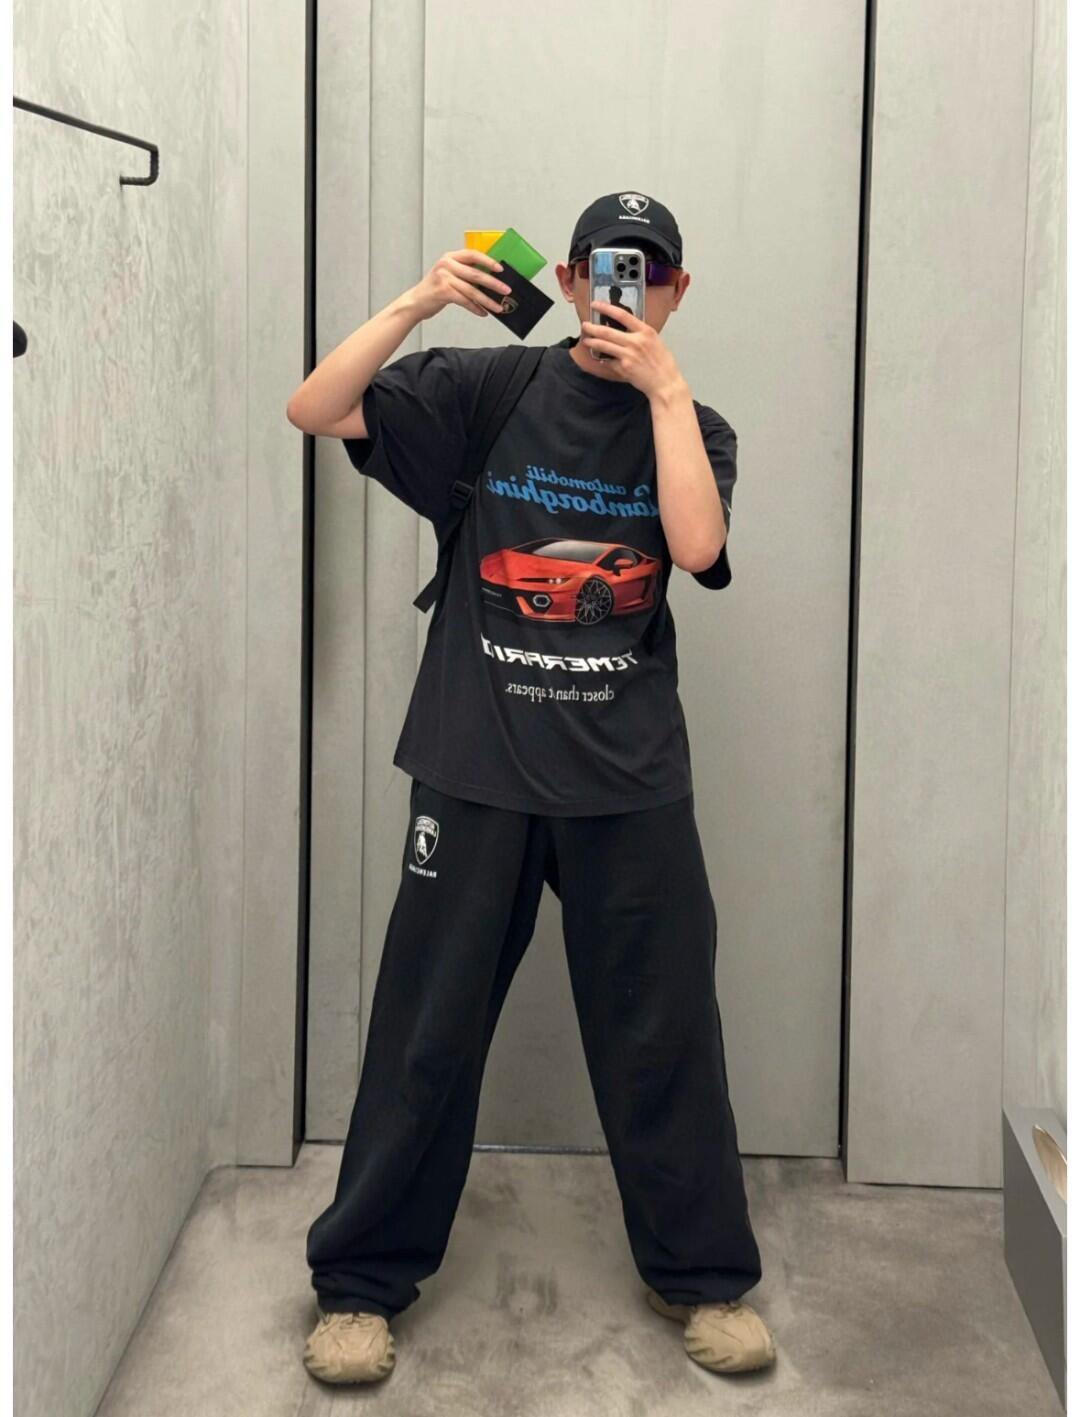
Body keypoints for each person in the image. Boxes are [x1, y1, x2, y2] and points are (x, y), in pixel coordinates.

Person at [286, 192, 777, 1386]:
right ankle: (359, 1287)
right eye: (606, 269)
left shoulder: (695, 424)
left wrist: (664, 393)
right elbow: (318, 406)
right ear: (564, 279)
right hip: (478, 763)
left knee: (665, 1033)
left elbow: (697, 549)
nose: (625, 290)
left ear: (676, 292)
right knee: (426, 1032)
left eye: (648, 273)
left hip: (628, 778)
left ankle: (702, 1276)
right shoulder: (487, 392)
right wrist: (418, 301)